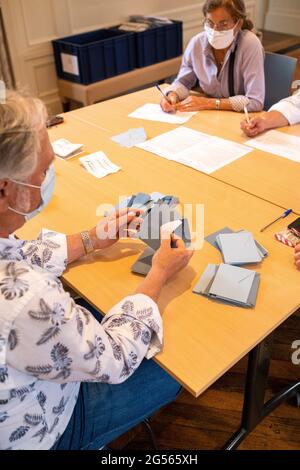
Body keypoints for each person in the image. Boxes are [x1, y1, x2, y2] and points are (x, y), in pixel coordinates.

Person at [0, 91, 193, 450]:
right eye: (44, 169)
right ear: (4, 188)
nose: (48, 177)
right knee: (179, 365)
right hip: (48, 429)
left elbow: (19, 253)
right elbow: (113, 359)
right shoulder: (27, 296)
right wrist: (159, 274)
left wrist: (91, 239)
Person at [160, 0, 265, 114]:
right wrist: (172, 95)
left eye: (223, 24)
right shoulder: (197, 44)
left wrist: (208, 103)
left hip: (240, 119)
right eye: (210, 22)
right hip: (212, 116)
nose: (215, 30)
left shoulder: (249, 44)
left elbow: (255, 101)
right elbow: (183, 82)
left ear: (238, 24)